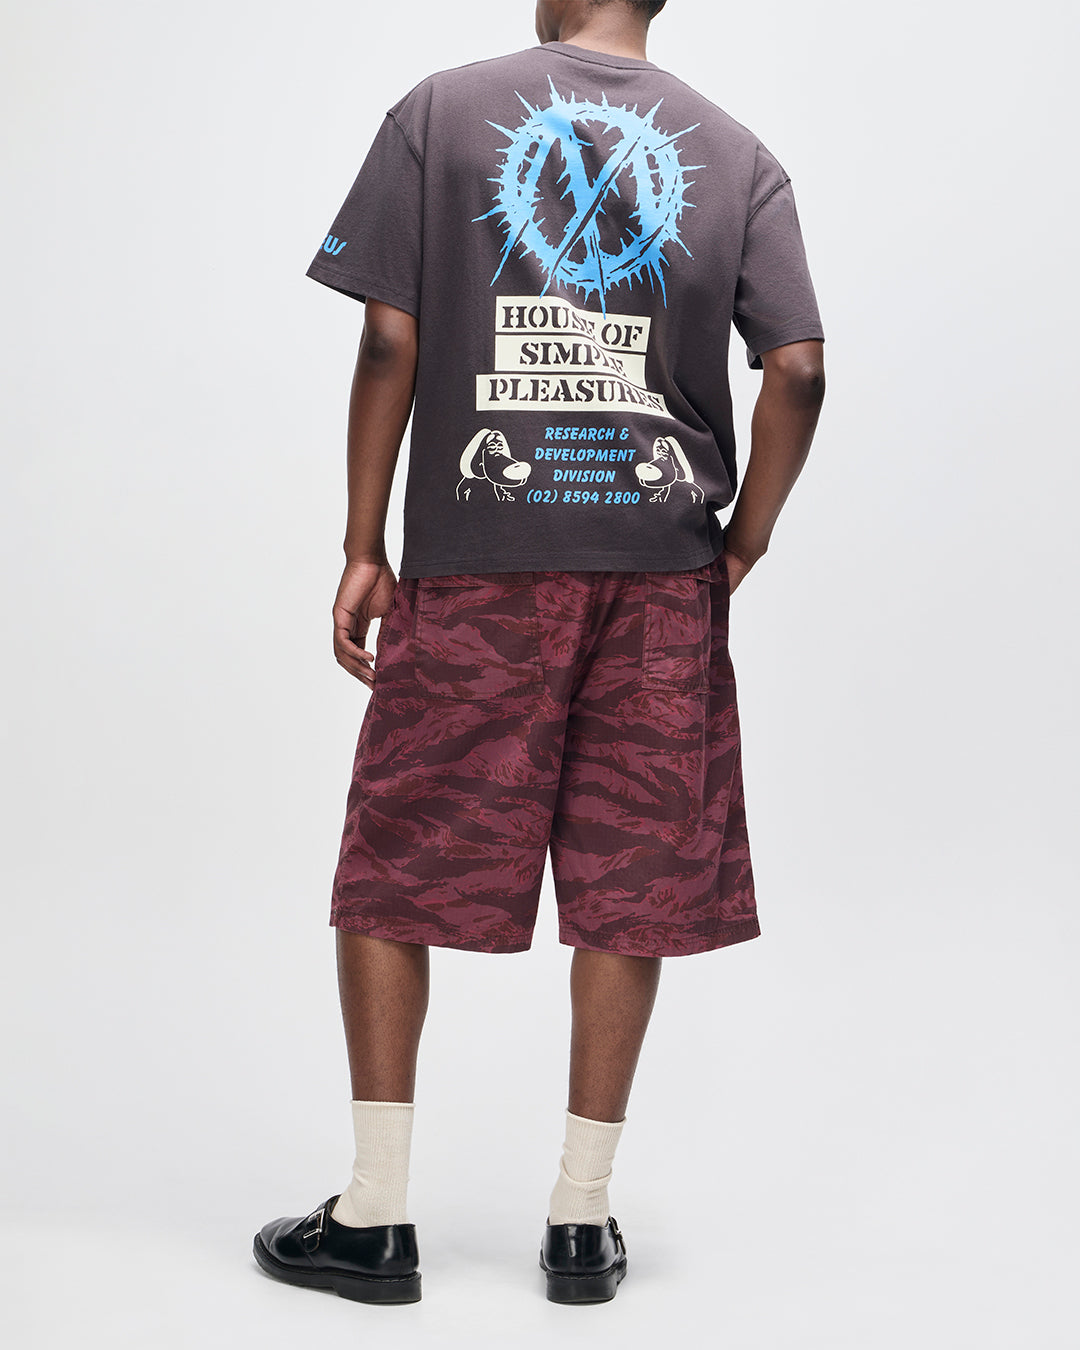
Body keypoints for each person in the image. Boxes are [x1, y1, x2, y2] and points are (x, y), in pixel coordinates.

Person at [253, 0, 825, 1306]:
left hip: (479, 552)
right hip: (662, 572)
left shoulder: (441, 112)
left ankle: (374, 1216)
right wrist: (743, 538)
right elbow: (796, 370)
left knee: (398, 858)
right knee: (632, 871)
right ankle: (579, 1220)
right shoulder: (740, 154)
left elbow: (389, 336)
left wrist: (362, 540)